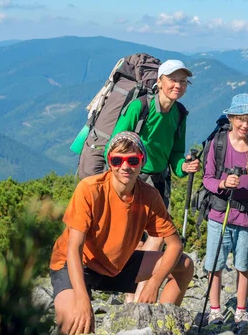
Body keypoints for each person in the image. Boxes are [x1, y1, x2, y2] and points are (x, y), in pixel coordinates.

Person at [49, 131, 194, 335]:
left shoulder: (149, 196)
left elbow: (175, 245)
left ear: (142, 162)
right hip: (76, 263)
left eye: (133, 160)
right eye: (117, 160)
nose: (125, 166)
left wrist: (153, 283)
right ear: (109, 162)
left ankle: (161, 326)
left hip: (117, 264)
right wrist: (83, 301)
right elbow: (74, 248)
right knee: (76, 324)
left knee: (184, 266)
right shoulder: (90, 190)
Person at [107, 59, 200, 301]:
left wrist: (183, 166)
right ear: (159, 82)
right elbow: (114, 144)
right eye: (172, 80)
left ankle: (134, 295)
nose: (177, 85)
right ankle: (139, 295)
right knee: (150, 238)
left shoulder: (179, 114)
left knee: (149, 238)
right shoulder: (140, 107)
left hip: (159, 181)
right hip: (134, 180)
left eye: (182, 81)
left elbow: (175, 153)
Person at [202, 94, 248, 325]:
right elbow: (208, 179)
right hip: (219, 215)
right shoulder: (218, 143)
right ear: (231, 118)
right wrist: (222, 184)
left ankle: (241, 310)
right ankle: (215, 309)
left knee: (243, 265)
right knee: (215, 266)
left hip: (247, 218)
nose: (245, 125)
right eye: (240, 119)